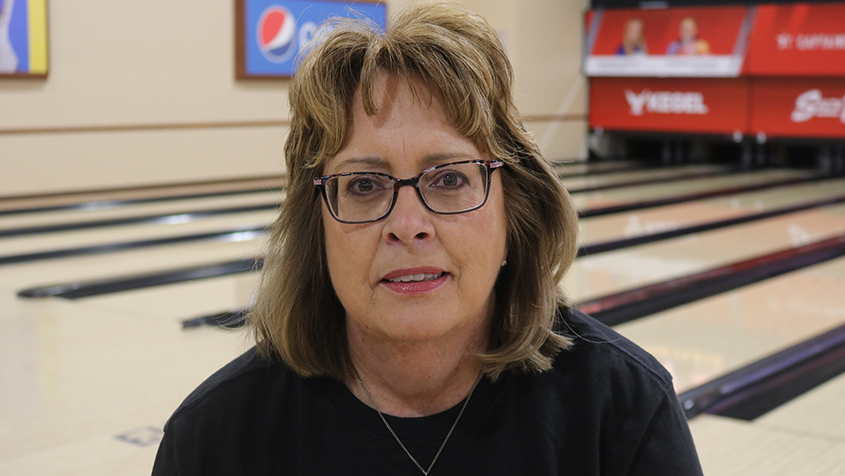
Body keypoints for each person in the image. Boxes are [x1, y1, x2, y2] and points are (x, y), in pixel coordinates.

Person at [152, 2, 702, 474]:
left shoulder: (623, 410)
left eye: (450, 179)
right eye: (363, 185)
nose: (408, 223)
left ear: (513, 209)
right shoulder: (212, 439)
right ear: (314, 223)